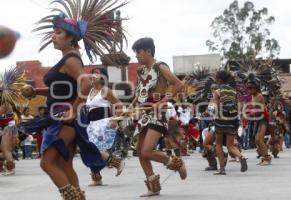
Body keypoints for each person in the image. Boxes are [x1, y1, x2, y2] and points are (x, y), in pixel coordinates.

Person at [23, 1, 129, 199]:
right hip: (63, 116)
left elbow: (86, 84)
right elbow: (62, 90)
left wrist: (73, 109)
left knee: (47, 163)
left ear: (70, 37)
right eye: (54, 32)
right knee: (64, 164)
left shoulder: (70, 58)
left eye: (58, 32)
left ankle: (73, 197)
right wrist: (36, 92)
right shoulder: (68, 57)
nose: (53, 36)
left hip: (64, 117)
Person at [127, 37, 186, 197]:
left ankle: (176, 163)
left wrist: (162, 101)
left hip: (157, 113)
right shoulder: (141, 71)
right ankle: (154, 187)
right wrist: (130, 108)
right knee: (140, 151)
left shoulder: (160, 66)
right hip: (143, 112)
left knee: (147, 151)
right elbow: (139, 93)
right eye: (136, 53)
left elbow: (178, 84)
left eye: (139, 52)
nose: (137, 56)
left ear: (148, 51)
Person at [86, 67, 125, 186]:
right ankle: (96, 178)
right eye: (92, 73)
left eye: (96, 74)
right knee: (89, 150)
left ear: (103, 77)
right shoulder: (90, 91)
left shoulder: (105, 90)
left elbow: (119, 104)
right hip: (92, 124)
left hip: (104, 122)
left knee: (94, 148)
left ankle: (117, 162)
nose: (93, 75)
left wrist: (115, 119)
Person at [213, 70, 247, 175]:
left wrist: (209, 114)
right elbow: (237, 107)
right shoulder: (233, 91)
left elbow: (216, 107)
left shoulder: (217, 92)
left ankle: (222, 169)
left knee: (218, 144)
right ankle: (241, 157)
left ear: (219, 80)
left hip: (221, 120)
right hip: (232, 120)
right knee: (230, 145)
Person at [245, 79, 272, 166]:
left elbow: (261, 110)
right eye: (248, 88)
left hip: (262, 119)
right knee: (257, 140)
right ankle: (264, 156)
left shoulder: (259, 96)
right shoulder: (253, 96)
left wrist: (250, 114)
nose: (248, 90)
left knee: (259, 139)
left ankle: (267, 158)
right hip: (257, 119)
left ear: (256, 89)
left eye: (250, 88)